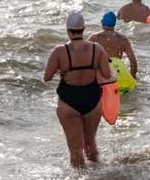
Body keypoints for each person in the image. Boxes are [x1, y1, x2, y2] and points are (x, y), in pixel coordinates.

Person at [43, 12, 113, 168]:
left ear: (68, 29)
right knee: (90, 144)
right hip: (92, 100)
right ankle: (98, 177)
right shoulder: (97, 49)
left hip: (69, 101)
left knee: (75, 149)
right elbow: (107, 74)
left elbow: (47, 77)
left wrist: (64, 69)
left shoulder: (59, 51)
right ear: (83, 29)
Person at [90, 11, 139, 80]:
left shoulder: (94, 38)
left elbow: (84, 57)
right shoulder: (123, 39)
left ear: (102, 23)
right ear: (114, 24)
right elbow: (133, 61)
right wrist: (133, 77)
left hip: (103, 72)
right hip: (118, 71)